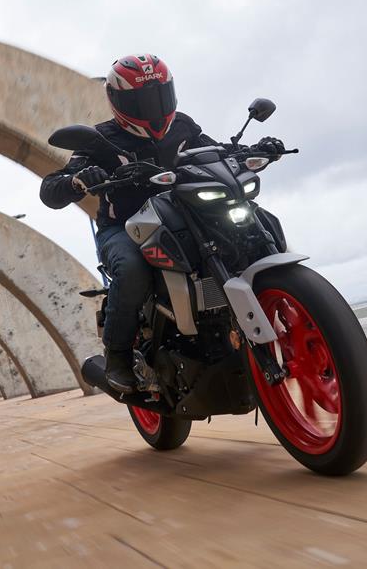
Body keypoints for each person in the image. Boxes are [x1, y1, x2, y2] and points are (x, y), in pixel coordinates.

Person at [40, 54, 282, 393]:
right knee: (131, 269)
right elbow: (50, 189)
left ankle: (281, 305)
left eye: (158, 97)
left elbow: (215, 153)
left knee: (258, 221)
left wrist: (254, 150)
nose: (152, 108)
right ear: (118, 100)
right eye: (141, 99)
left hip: (188, 215)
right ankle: (118, 356)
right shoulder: (100, 140)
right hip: (125, 228)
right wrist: (79, 180)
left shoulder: (182, 126)